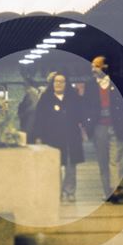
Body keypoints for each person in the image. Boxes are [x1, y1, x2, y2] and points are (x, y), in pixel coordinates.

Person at [83, 55, 123, 203]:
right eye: (92, 66)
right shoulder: (90, 85)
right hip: (99, 127)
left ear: (105, 67)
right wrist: (86, 126)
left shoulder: (119, 83)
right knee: (103, 161)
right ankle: (107, 191)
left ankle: (115, 189)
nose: (93, 69)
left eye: (96, 66)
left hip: (117, 125)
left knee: (115, 160)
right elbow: (85, 107)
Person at [31, 72, 84, 202]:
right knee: (55, 166)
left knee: (71, 166)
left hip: (71, 137)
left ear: (66, 84)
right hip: (52, 137)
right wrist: (38, 136)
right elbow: (39, 119)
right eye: (56, 81)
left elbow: (80, 116)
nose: (59, 84)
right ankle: (57, 191)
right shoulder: (45, 98)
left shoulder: (73, 98)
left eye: (62, 81)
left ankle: (70, 191)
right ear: (52, 83)